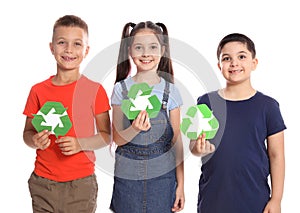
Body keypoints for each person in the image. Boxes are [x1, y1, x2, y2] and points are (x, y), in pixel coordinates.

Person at [22, 15, 111, 213]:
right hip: (42, 183)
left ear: (86, 50)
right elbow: (27, 133)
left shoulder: (94, 90)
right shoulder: (38, 90)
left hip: (81, 185)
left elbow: (106, 135)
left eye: (77, 44)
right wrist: (35, 140)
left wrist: (81, 144)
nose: (69, 50)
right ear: (52, 47)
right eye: (62, 42)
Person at [190, 33, 286, 213]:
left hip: (255, 200)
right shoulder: (206, 102)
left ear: (254, 63)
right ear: (219, 66)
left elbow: (276, 155)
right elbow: (194, 145)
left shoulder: (268, 106)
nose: (234, 63)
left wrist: (276, 199)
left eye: (241, 56)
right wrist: (198, 148)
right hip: (213, 198)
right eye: (227, 58)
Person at [109, 21, 185, 213]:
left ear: (163, 50)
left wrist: (181, 185)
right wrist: (134, 128)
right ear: (130, 50)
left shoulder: (171, 91)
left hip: (163, 179)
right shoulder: (121, 89)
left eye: (152, 46)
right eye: (138, 47)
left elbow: (176, 140)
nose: (145, 53)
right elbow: (117, 138)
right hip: (128, 178)